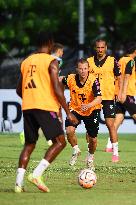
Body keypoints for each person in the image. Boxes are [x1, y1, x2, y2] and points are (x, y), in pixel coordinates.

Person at [15, 31, 78, 193]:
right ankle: (36, 174)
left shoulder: (26, 61)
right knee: (60, 142)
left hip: (28, 106)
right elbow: (57, 89)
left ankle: (18, 184)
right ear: (50, 43)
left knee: (29, 145)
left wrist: (31, 97)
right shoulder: (52, 61)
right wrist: (67, 111)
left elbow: (18, 90)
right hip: (44, 106)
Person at [60, 58, 102, 170]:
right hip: (75, 109)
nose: (83, 71)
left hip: (92, 110)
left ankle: (90, 158)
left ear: (88, 69)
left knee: (92, 139)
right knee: (69, 131)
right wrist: (60, 93)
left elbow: (99, 98)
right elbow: (59, 80)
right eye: (81, 69)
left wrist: (89, 105)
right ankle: (76, 150)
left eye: (85, 69)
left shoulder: (93, 80)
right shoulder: (70, 78)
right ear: (77, 69)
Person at [87, 39, 122, 162]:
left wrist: (118, 91)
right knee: (90, 127)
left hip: (108, 97)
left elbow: (119, 77)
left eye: (102, 48)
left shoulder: (113, 61)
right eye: (98, 48)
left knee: (110, 125)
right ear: (95, 48)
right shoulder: (89, 62)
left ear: (106, 48)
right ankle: (89, 154)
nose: (100, 50)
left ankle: (115, 153)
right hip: (93, 98)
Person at [114, 42, 136, 131]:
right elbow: (127, 76)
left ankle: (110, 144)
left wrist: (119, 93)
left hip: (118, 93)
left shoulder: (121, 60)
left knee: (118, 119)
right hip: (126, 94)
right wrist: (123, 93)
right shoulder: (130, 61)